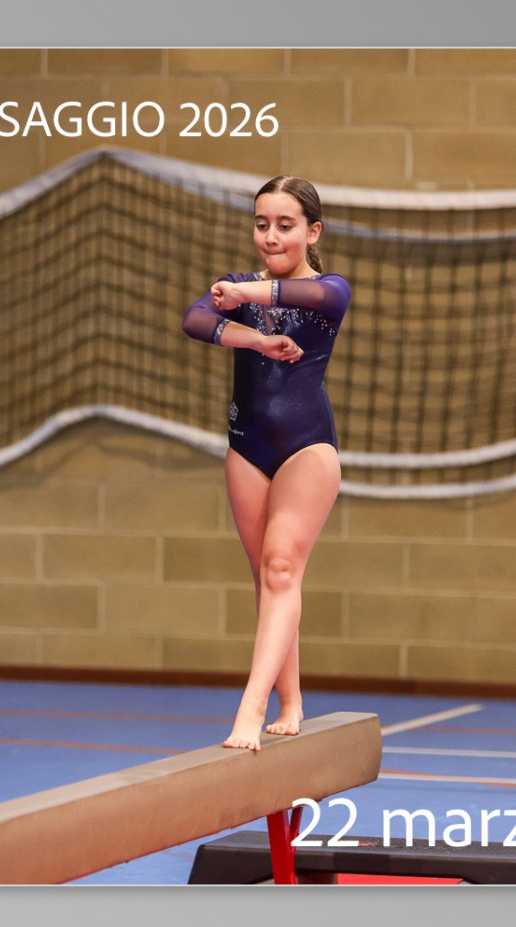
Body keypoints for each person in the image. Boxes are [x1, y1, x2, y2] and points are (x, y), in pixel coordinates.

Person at [181, 176, 351, 751]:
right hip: (247, 446)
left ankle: (249, 709)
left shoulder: (331, 289)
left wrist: (244, 296)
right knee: (270, 579)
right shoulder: (237, 287)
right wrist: (255, 340)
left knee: (281, 568)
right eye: (261, 224)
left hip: (308, 449)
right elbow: (195, 320)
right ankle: (291, 700)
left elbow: (307, 299)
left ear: (312, 231)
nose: (270, 236)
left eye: (284, 225)